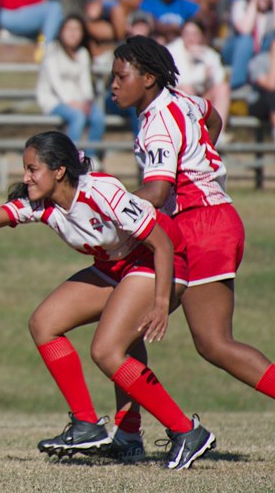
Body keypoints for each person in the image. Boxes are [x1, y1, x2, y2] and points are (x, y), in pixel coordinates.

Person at [0, 131, 216, 470]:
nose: (25, 177)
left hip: (160, 262)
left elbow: (162, 244)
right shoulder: (42, 205)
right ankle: (88, 424)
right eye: (25, 169)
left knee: (107, 351)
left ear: (59, 171)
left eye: (32, 169)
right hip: (115, 266)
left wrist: (161, 301)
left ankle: (186, 432)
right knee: (44, 323)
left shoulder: (100, 192)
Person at [111, 34, 275, 452]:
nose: (112, 84)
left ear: (147, 78)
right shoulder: (179, 99)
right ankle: (129, 434)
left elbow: (157, 191)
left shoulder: (157, 125)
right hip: (215, 218)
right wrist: (202, 162)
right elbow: (213, 116)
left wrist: (108, 203)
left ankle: (155, 434)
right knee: (127, 325)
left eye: (120, 76)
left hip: (199, 225)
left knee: (213, 343)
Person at [36, 15, 105, 164]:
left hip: (80, 101)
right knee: (77, 117)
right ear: (61, 31)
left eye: (77, 29)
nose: (73, 33)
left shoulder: (83, 53)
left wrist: (87, 100)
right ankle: (70, 161)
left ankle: (91, 159)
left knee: (98, 117)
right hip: (53, 101)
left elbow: (85, 82)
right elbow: (55, 83)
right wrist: (71, 102)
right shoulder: (52, 51)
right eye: (69, 29)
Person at [167, 18, 231, 144]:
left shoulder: (208, 54)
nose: (191, 38)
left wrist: (205, 63)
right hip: (179, 100)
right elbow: (180, 81)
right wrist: (202, 75)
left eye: (195, 34)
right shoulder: (172, 51)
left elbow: (219, 78)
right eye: (187, 34)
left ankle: (218, 134)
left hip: (202, 99)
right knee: (187, 89)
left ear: (201, 36)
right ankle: (193, 132)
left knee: (223, 88)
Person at [224, 0, 275, 89]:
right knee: (246, 40)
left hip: (260, 56)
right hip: (234, 50)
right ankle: (237, 84)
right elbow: (245, 30)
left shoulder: (270, 14)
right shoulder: (241, 4)